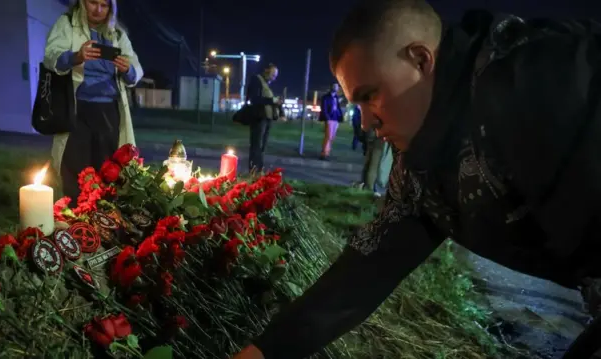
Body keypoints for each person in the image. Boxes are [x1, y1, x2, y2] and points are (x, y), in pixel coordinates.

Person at [233, 1, 601, 358]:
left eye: (370, 96)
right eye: (356, 104)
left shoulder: (536, 78)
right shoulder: (418, 169)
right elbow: (363, 274)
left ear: (421, 60)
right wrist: (264, 352)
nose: (366, 123)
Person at [44, 0, 143, 202]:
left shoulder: (117, 34)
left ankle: (102, 220)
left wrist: (127, 69)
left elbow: (135, 70)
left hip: (108, 111)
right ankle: (75, 218)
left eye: (104, 5)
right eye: (92, 2)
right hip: (77, 108)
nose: (98, 10)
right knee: (75, 167)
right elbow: (51, 56)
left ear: (111, 8)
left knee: (108, 168)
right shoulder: (67, 24)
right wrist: (76, 57)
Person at [245, 63, 284, 171]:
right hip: (259, 118)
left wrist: (278, 108)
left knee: (262, 146)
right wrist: (272, 100)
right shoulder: (256, 80)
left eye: (275, 76)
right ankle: (253, 169)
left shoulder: (266, 84)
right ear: (266, 70)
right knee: (256, 145)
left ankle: (259, 169)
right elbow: (255, 99)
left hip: (266, 118)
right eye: (273, 75)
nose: (274, 78)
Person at [319, 83, 344, 160]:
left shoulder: (336, 97)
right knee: (328, 136)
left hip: (336, 119)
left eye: (337, 87)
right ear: (331, 87)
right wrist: (327, 118)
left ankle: (327, 152)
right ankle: (324, 153)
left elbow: (338, 108)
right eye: (334, 86)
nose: (336, 88)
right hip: (329, 119)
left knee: (332, 137)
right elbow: (324, 108)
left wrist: (340, 116)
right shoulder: (326, 97)